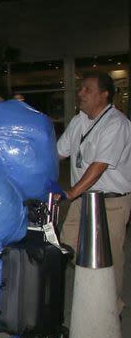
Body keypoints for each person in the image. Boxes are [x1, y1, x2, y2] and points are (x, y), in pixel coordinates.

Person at [57, 72, 131, 315]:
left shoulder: (116, 124)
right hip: (83, 198)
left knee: (110, 258)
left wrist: (70, 193)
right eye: (81, 89)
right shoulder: (79, 121)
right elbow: (58, 153)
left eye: (87, 89)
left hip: (111, 202)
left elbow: (98, 167)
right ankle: (91, 288)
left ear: (104, 94)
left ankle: (111, 309)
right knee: (67, 244)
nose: (80, 93)